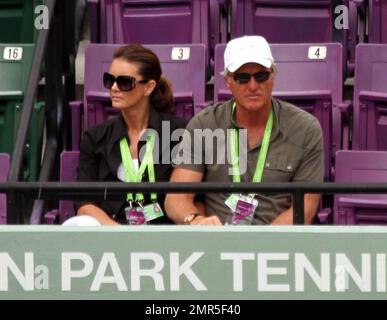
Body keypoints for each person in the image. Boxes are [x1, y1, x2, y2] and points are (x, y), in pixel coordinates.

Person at [165, 35, 324, 225]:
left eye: (261, 76)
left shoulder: (305, 128)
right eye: (242, 78)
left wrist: (259, 246)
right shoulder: (204, 124)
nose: (253, 86)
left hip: (277, 243)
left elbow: (305, 207)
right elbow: (175, 199)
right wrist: (196, 221)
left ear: (273, 77)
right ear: (227, 81)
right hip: (217, 240)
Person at [75, 44, 187, 225]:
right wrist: (121, 235)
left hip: (164, 234)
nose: (114, 87)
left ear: (149, 87)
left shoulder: (179, 133)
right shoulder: (95, 137)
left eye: (124, 82)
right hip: (112, 234)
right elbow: (84, 203)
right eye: (109, 79)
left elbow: (190, 199)